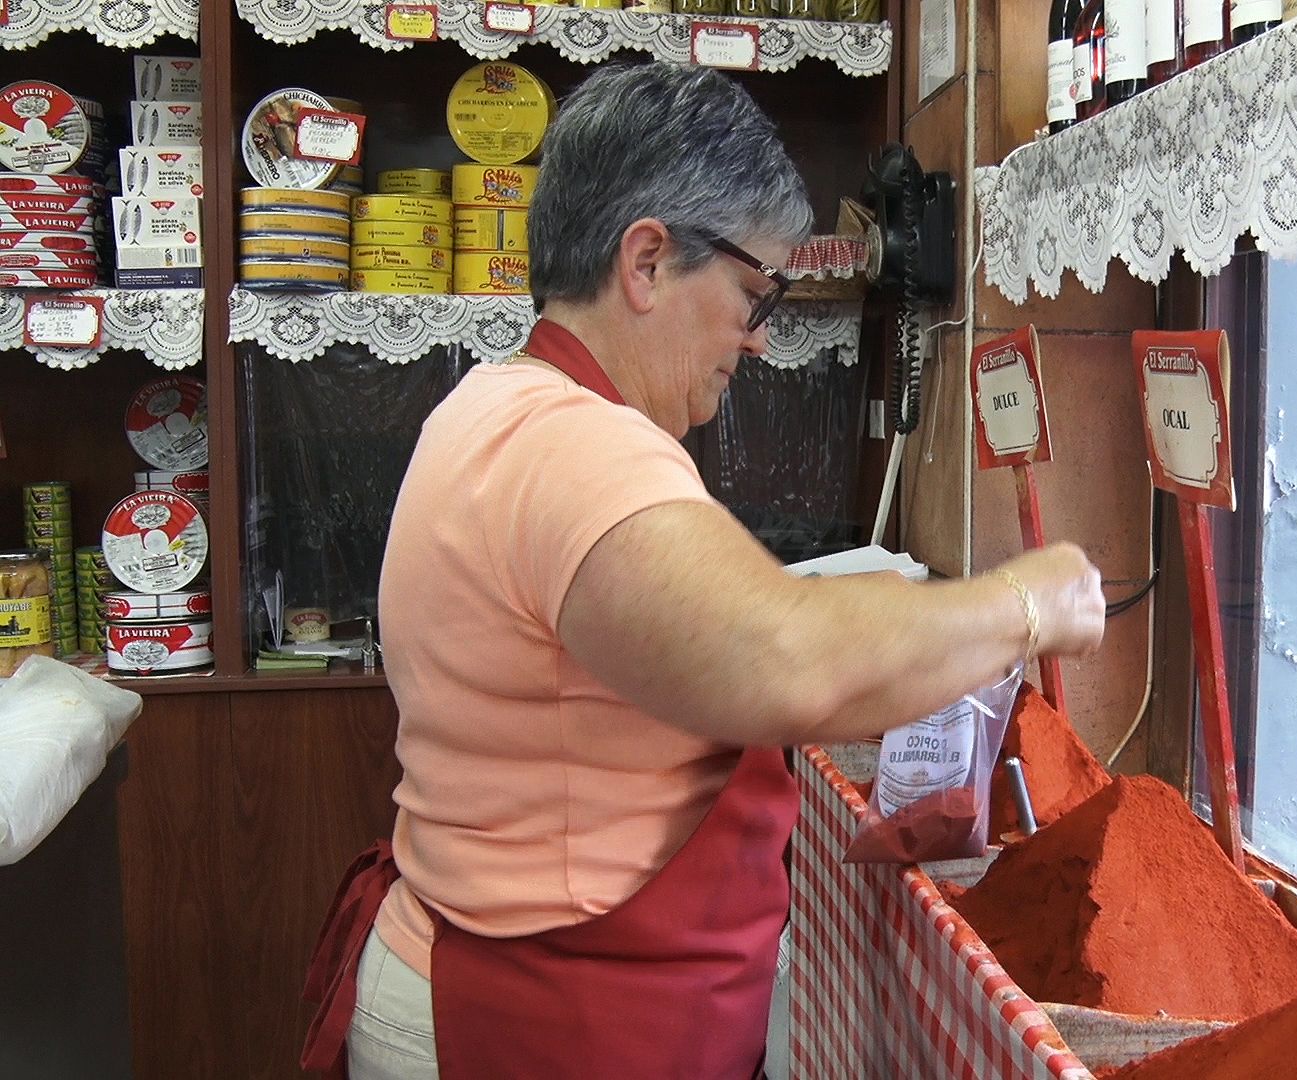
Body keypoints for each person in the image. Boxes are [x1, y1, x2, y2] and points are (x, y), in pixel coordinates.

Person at [298, 63, 1105, 1080]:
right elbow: (787, 659)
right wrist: (1031, 598)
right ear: (646, 261)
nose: (760, 340)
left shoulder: (497, 405)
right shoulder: (573, 446)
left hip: (508, 978)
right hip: (529, 1020)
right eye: (753, 294)